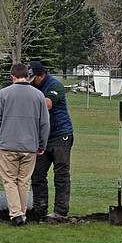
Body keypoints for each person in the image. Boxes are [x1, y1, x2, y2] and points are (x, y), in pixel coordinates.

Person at [0, 63, 50, 226]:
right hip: (30, 146)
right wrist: (42, 144)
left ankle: (16, 214)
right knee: (24, 181)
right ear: (27, 76)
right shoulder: (38, 95)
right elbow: (45, 123)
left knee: (10, 180)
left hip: (8, 145)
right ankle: (21, 215)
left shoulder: (4, 93)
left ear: (12, 77)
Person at [29, 60, 74, 220]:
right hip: (43, 137)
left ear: (41, 75)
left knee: (61, 174)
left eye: (34, 79)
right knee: (37, 174)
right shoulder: (33, 87)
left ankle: (60, 212)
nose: (32, 82)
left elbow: (47, 104)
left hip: (60, 135)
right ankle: (39, 209)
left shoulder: (56, 86)